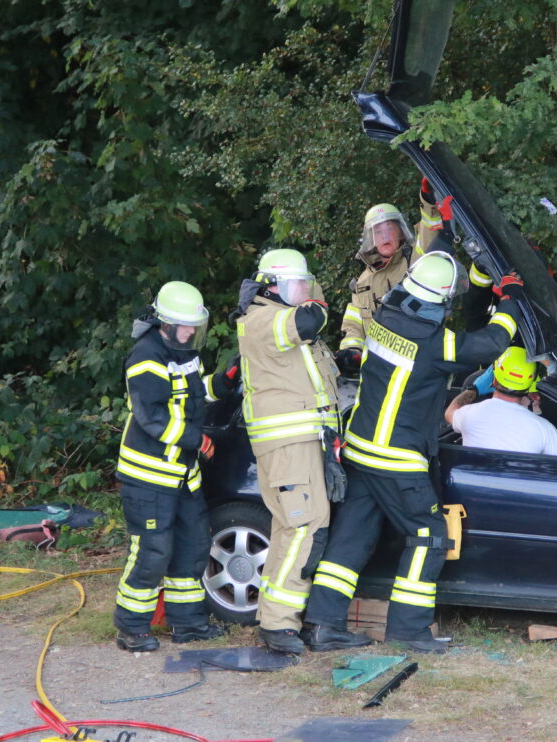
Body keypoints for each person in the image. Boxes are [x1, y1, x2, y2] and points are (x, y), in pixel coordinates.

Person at [303, 248, 526, 654]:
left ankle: (322, 625)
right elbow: (492, 341)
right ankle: (408, 630)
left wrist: (480, 281)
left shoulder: (382, 320)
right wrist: (510, 298)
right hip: (397, 459)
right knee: (429, 535)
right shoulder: (435, 343)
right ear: (439, 302)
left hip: (360, 449)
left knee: (350, 540)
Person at [234, 249, 369, 654]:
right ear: (271, 285)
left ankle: (274, 618)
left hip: (304, 444)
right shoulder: (264, 319)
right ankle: (279, 625)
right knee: (307, 528)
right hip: (289, 446)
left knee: (290, 531)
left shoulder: (282, 322)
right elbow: (311, 319)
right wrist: (323, 298)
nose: (305, 292)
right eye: (298, 284)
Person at [113, 281, 237, 652]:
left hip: (183, 475)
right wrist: (194, 440)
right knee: (153, 551)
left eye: (193, 327)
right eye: (183, 326)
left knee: (193, 545)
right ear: (163, 322)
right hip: (148, 476)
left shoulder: (183, 352)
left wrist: (224, 381)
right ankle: (131, 627)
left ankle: (188, 623)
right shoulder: (145, 357)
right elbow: (151, 417)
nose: (189, 333)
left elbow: (196, 396)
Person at [335, 178, 451, 373]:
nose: (385, 235)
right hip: (379, 369)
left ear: (401, 232)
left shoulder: (418, 257)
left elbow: (430, 229)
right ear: (371, 238)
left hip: (420, 362)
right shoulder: (362, 282)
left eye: (390, 228)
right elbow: (353, 324)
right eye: (378, 231)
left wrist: (428, 199)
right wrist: (351, 350)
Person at [444, 347, 557, 457]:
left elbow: (449, 413)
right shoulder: (543, 428)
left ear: (493, 380)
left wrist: (474, 389)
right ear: (529, 386)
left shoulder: (469, 414)